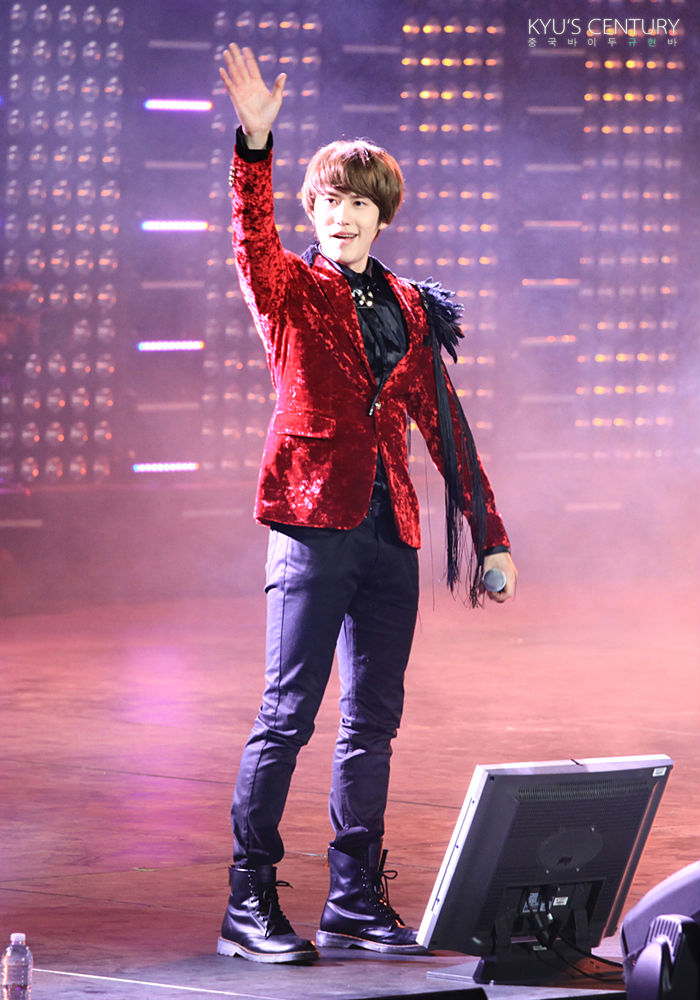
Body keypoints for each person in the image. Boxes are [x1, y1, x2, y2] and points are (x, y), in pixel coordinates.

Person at [216, 43, 518, 965]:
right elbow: (251, 238)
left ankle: (352, 899)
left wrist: (490, 537)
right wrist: (255, 147)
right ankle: (248, 899)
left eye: (358, 203)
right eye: (329, 201)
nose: (342, 216)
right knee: (288, 716)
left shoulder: (412, 306)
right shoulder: (290, 289)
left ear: (382, 216)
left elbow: (447, 427)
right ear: (311, 210)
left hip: (393, 532)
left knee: (372, 724)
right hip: (312, 523)